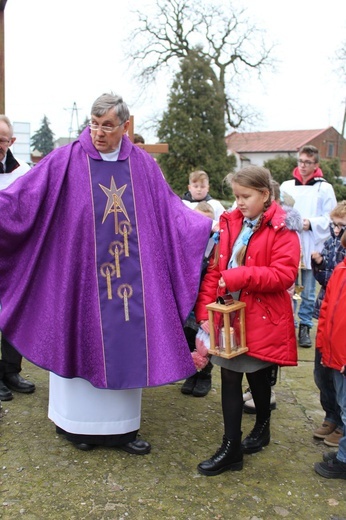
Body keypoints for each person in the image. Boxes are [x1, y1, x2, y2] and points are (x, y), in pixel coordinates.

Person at [0, 93, 212, 453]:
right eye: (94, 124)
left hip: (131, 283)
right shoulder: (66, 159)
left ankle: (122, 431)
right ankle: (75, 426)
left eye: (108, 126)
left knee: (128, 345)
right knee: (78, 340)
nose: (98, 133)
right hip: (80, 278)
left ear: (124, 127)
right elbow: (23, 198)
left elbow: (169, 209)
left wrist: (205, 227)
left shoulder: (142, 165)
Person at [194, 165, 300, 476]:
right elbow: (216, 269)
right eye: (236, 196)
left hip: (262, 316)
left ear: (265, 195)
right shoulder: (231, 222)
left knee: (258, 376)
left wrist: (239, 275)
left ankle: (263, 426)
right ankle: (231, 447)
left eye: (246, 196)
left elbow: (284, 274)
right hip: (231, 316)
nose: (238, 202)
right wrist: (205, 311)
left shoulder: (282, 227)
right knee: (229, 375)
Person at [242, 179, 302, 414]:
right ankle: (254, 388)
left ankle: (269, 389)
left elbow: (283, 271)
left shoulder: (283, 227)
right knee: (253, 349)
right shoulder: (250, 223)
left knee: (269, 349)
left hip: (273, 298)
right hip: (253, 294)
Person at [280, 145, 337, 348]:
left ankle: (305, 325)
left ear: (316, 165)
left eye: (307, 162)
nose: (303, 166)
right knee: (288, 287)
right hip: (289, 241)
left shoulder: (324, 188)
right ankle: (289, 324)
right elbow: (280, 210)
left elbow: (331, 217)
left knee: (308, 290)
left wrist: (309, 223)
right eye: (300, 161)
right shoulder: (287, 186)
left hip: (312, 242)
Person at [0, 115, 36, 401]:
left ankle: (10, 370)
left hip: (14, 258)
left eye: (2, 140)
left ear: (11, 142)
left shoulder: (23, 172)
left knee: (14, 313)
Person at [311, 201, 346, 448]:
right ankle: (331, 415)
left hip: (340, 325)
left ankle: (342, 424)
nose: (335, 230)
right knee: (321, 372)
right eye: (333, 225)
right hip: (327, 315)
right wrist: (319, 265)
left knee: (338, 377)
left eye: (341, 226)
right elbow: (327, 280)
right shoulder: (331, 243)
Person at [181, 201, 215, 397]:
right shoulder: (186, 243)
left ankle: (205, 376)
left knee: (205, 341)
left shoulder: (214, 246)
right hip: (189, 302)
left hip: (205, 301)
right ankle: (191, 372)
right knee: (188, 337)